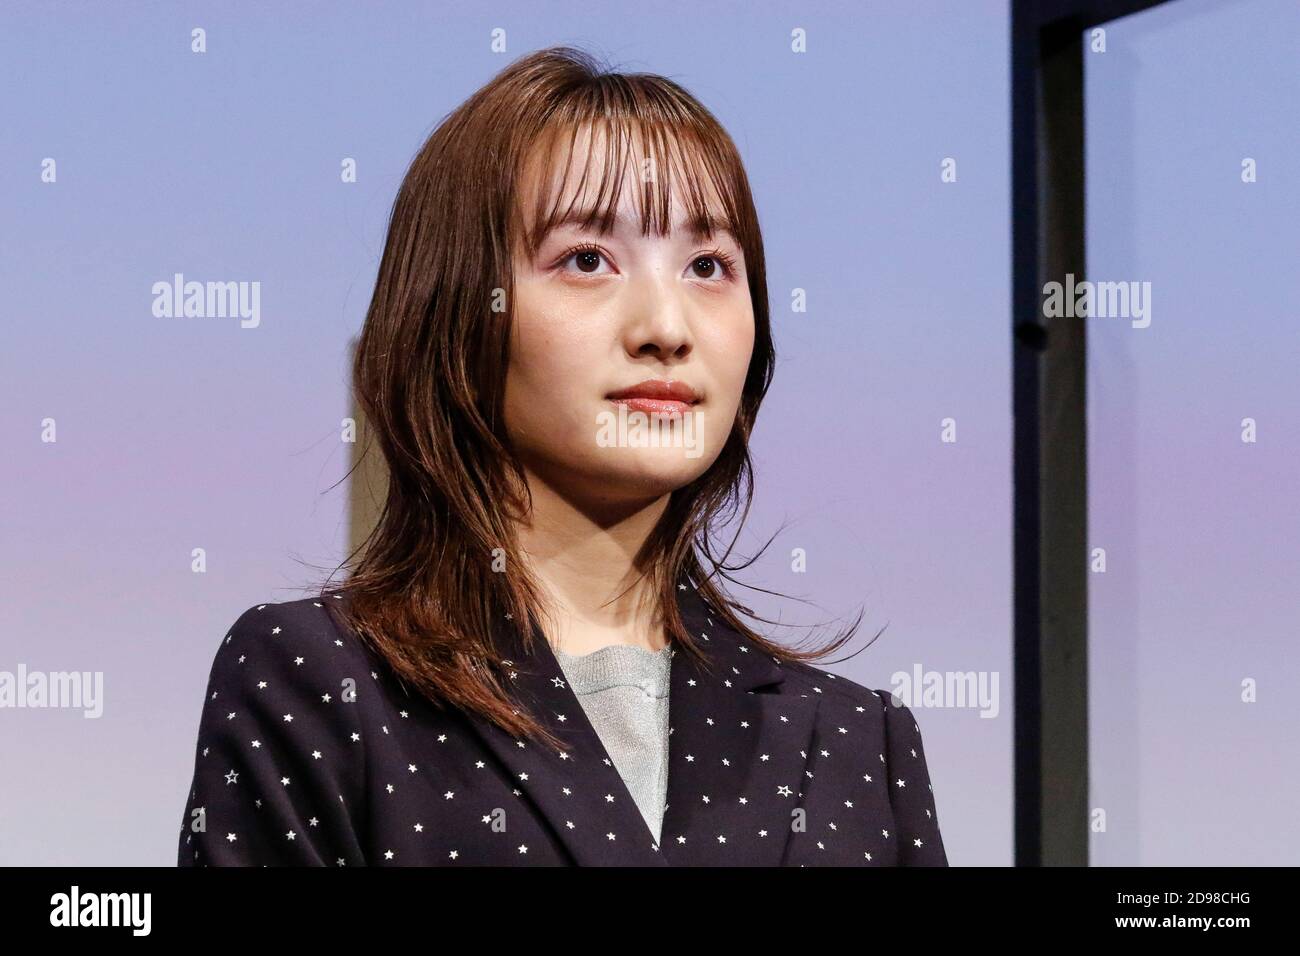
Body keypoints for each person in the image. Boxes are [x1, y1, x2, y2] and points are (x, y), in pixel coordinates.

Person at [176, 45, 948, 866]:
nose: (666, 326)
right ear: (457, 314)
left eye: (709, 266)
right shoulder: (322, 679)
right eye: (588, 260)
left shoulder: (859, 739)